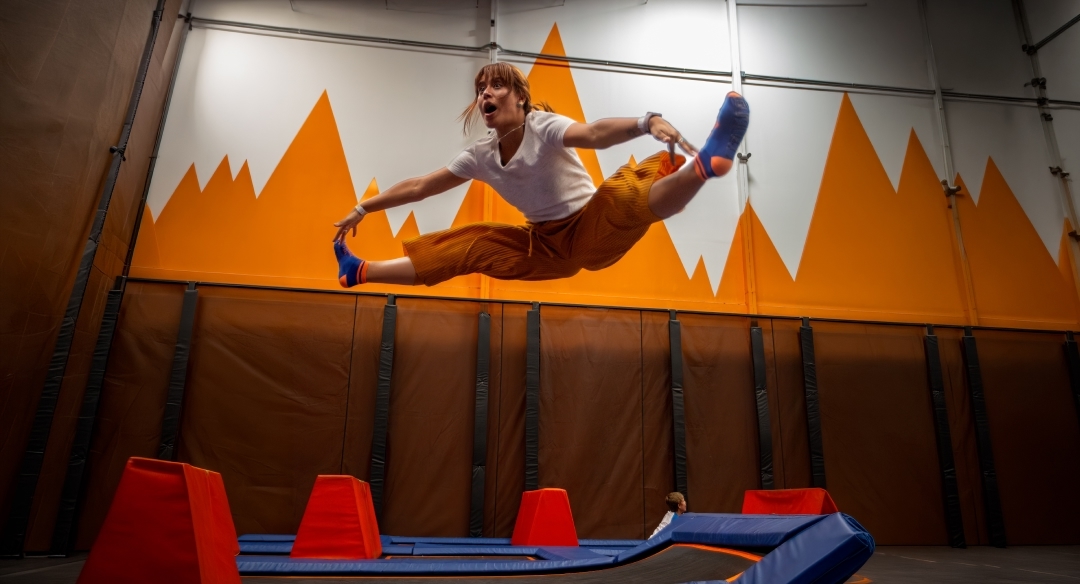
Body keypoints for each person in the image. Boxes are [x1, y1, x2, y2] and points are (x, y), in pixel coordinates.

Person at [332, 62, 749, 287]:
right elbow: (421, 186)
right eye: (481, 90)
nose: (485, 94)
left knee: (623, 194)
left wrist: (646, 122)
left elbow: (594, 133)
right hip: (545, 246)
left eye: (496, 86)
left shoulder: (542, 126)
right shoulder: (480, 156)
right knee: (470, 245)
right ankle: (360, 271)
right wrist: (363, 207)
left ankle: (704, 165)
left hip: (590, 226)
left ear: (520, 97)